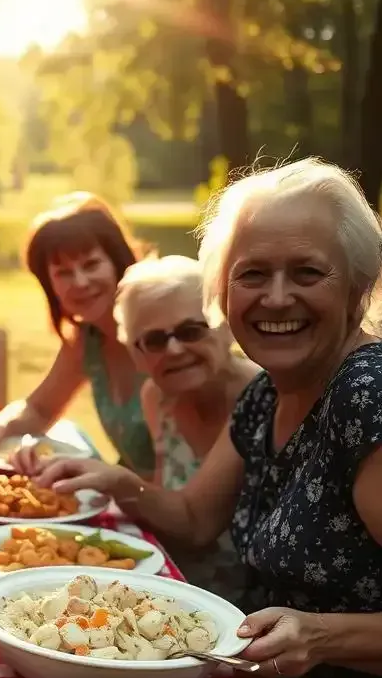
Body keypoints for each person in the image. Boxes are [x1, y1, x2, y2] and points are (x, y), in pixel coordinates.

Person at [32, 159, 382, 678]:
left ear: (358, 288)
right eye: (252, 274)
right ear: (225, 294)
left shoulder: (366, 396)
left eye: (307, 272)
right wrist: (117, 481)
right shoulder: (269, 396)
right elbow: (194, 518)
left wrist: (323, 637)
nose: (276, 298)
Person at [19, 255, 258, 599]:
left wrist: (119, 482)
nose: (175, 349)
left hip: (249, 605)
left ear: (225, 326)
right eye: (155, 340)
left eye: (191, 330)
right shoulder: (158, 397)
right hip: (171, 578)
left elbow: (196, 525)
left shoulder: (264, 396)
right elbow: (168, 506)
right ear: (136, 353)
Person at [0, 193, 156, 477]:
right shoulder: (87, 340)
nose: (80, 282)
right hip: (131, 493)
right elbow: (39, 409)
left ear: (118, 261)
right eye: (63, 273)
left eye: (91, 264)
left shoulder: (161, 331)